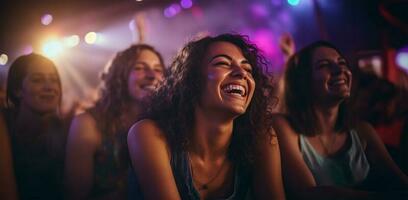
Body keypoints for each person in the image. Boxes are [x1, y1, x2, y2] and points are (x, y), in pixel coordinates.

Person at [127, 33, 285, 199]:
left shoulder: (262, 137)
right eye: (222, 63)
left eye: (248, 69)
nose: (241, 73)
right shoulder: (148, 134)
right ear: (191, 80)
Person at [273, 41, 408, 199]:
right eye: (324, 65)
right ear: (303, 81)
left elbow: (400, 182)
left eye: (342, 62)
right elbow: (308, 194)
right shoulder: (284, 127)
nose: (340, 70)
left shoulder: (363, 131)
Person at [64, 44, 165, 199]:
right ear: (120, 76)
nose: (152, 75)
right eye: (139, 67)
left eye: (158, 69)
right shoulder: (87, 124)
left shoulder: (167, 123)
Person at [0, 53, 68, 199]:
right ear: (17, 90)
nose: (49, 87)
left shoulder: (67, 131)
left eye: (54, 80)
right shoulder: (4, 125)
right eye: (38, 80)